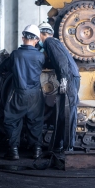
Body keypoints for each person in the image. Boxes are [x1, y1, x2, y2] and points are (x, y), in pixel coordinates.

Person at [3, 25, 45, 160]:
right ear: (37, 40)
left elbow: (5, 68)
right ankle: (36, 150)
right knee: (35, 122)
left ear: (23, 38)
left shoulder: (15, 54)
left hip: (18, 93)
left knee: (11, 121)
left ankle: (14, 151)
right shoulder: (40, 56)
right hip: (35, 95)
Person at [38, 22, 80, 152]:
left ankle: (68, 147)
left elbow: (61, 61)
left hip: (69, 79)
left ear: (41, 34)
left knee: (68, 113)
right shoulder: (54, 42)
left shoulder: (49, 43)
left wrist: (63, 80)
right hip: (71, 77)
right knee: (62, 113)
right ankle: (59, 145)